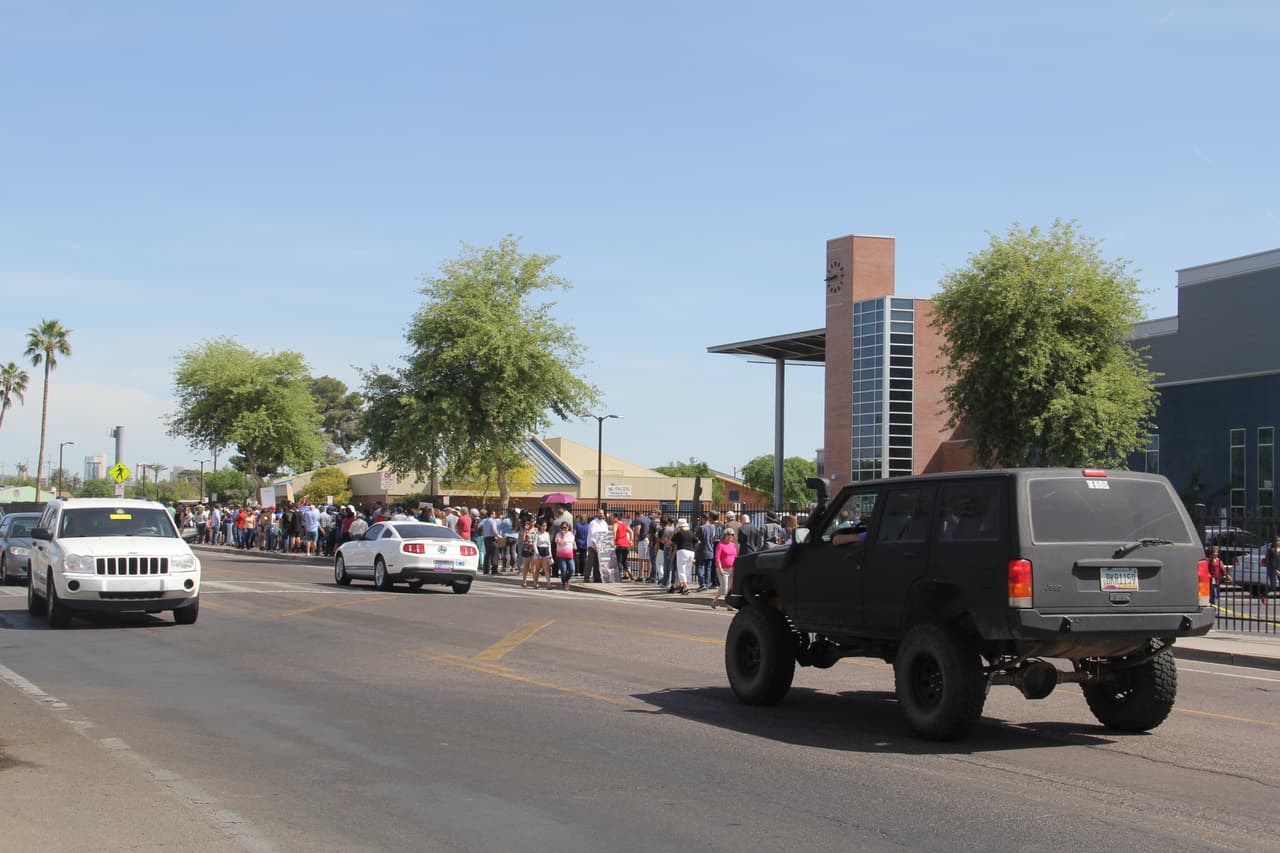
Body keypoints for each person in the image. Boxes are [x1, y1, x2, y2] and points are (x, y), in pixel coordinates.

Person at [711, 527, 738, 609]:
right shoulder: (720, 545)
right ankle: (729, 605)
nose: (731, 536)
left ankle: (714, 601)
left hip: (731, 568)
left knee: (728, 587)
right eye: (729, 534)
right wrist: (720, 568)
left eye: (732, 535)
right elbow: (717, 558)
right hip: (723, 569)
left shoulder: (733, 545)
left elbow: (735, 556)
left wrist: (735, 567)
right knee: (724, 587)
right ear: (725, 535)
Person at [670, 518, 697, 595]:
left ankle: (685, 587)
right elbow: (697, 541)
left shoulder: (679, 533)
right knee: (688, 570)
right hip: (691, 552)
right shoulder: (691, 532)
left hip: (682, 551)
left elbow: (671, 541)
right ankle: (685, 586)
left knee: (681, 570)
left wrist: (674, 533)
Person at [587, 507, 610, 583]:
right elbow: (593, 535)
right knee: (591, 562)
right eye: (600, 513)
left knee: (599, 563)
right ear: (597, 514)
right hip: (593, 546)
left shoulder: (604, 523)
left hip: (602, 546)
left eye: (602, 513)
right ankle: (586, 577)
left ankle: (597, 578)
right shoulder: (593, 523)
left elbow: (606, 535)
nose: (601, 515)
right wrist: (596, 545)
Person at [695, 513, 717, 591]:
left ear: (703, 519)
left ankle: (702, 583)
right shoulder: (712, 527)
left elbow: (697, 539)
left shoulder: (701, 528)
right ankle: (707, 584)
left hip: (702, 550)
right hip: (710, 549)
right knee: (708, 568)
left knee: (699, 567)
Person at [554, 521, 576, 590]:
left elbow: (573, 541)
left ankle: (566, 580)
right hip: (561, 556)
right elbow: (560, 543)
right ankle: (565, 583)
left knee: (572, 569)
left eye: (565, 528)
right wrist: (564, 536)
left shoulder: (571, 534)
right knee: (563, 570)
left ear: (568, 528)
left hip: (569, 555)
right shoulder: (558, 535)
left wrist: (575, 545)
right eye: (562, 528)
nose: (564, 529)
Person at [613, 512, 634, 581]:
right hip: (626, 544)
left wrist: (614, 540)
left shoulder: (616, 524)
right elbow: (631, 532)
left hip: (619, 544)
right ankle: (630, 575)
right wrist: (630, 541)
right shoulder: (624, 525)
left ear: (616, 518)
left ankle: (619, 576)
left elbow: (614, 532)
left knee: (618, 561)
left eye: (613, 517)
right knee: (625, 561)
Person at [518, 519, 538, 588]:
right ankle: (524, 582)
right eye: (530, 521)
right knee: (526, 566)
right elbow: (523, 540)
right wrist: (525, 531)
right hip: (526, 549)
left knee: (533, 567)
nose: (531, 523)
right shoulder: (525, 530)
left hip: (534, 550)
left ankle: (535, 582)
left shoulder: (536, 530)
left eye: (532, 521)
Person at [533, 520, 553, 589]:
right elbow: (534, 544)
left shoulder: (547, 534)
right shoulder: (537, 534)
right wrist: (537, 553)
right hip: (539, 550)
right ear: (540, 526)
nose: (544, 527)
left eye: (545, 526)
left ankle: (549, 583)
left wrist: (550, 554)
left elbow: (549, 544)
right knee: (538, 569)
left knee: (546, 568)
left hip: (546, 551)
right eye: (543, 526)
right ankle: (535, 583)